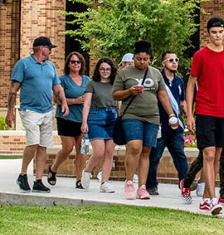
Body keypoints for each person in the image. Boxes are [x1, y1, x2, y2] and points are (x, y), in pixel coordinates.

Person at [186, 17, 224, 215]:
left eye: (220, 32)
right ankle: (212, 199)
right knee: (209, 154)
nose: (217, 35)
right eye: (214, 32)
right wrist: (189, 113)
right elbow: (190, 85)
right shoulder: (200, 56)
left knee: (218, 156)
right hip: (204, 110)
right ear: (208, 33)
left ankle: (205, 199)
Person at [112, 41, 179, 200]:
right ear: (134, 57)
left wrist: (171, 115)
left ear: (150, 59)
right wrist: (129, 91)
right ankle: (129, 182)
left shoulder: (155, 74)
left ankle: (142, 187)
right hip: (131, 115)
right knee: (135, 146)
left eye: (145, 59)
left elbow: (162, 95)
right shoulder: (124, 73)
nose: (142, 62)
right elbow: (115, 94)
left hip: (152, 116)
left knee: (147, 150)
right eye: (139, 59)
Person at [7, 36, 69, 193]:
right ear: (41, 48)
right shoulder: (23, 64)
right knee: (33, 142)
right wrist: (10, 113)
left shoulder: (50, 66)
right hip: (29, 110)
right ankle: (22, 175)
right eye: (49, 48)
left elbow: (57, 87)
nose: (50, 51)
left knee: (43, 146)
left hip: (47, 111)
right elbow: (13, 90)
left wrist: (64, 103)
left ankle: (38, 180)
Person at [146, 51, 191, 196]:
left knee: (179, 154)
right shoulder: (157, 79)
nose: (174, 62)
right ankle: (151, 185)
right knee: (154, 156)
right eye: (171, 60)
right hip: (160, 124)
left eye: (176, 60)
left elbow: (182, 101)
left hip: (176, 125)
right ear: (163, 63)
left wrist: (189, 115)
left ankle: (186, 183)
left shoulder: (179, 81)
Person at [49, 52, 90, 189]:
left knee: (82, 150)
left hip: (83, 120)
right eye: (73, 62)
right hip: (66, 117)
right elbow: (56, 100)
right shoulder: (62, 80)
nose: (76, 64)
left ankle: (79, 179)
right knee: (67, 148)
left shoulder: (86, 80)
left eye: (78, 62)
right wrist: (75, 101)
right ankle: (53, 169)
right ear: (68, 64)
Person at [81, 58, 119, 192]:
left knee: (109, 152)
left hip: (112, 117)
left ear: (112, 70)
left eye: (108, 69)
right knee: (99, 151)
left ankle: (104, 182)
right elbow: (86, 103)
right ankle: (87, 171)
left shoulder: (115, 84)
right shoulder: (92, 84)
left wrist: (121, 120)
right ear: (98, 70)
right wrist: (84, 122)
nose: (105, 71)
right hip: (95, 117)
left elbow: (119, 103)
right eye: (102, 69)